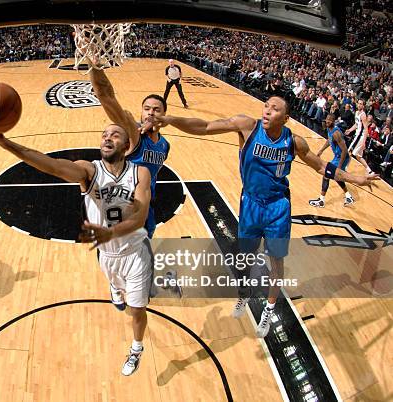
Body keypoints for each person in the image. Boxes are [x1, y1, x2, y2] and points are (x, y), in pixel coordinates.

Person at [149, 96, 378, 337]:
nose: (267, 111)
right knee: (245, 257)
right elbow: (204, 127)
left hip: (277, 208)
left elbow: (322, 166)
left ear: (286, 118)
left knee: (276, 263)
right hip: (250, 203)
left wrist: (356, 179)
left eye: (275, 109)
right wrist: (171, 119)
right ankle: (245, 293)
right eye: (266, 106)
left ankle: (268, 310)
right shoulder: (247, 126)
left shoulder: (294, 142)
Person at [0, 121, 153, 376]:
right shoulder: (89, 171)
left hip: (136, 253)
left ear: (126, 145)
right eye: (104, 134)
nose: (107, 138)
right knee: (118, 285)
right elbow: (52, 166)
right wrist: (4, 142)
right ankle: (116, 285)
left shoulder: (140, 173)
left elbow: (139, 218)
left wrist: (111, 232)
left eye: (115, 135)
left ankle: (136, 349)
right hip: (108, 256)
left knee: (137, 310)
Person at [89, 62, 170, 238]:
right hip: (123, 209)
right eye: (146, 109)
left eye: (156, 110)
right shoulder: (134, 134)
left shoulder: (165, 145)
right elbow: (105, 95)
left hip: (146, 209)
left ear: (164, 115)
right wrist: (93, 62)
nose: (150, 113)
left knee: (143, 258)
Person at [308, 114, 355, 207]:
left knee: (326, 175)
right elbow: (329, 141)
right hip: (337, 156)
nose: (327, 121)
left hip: (342, 157)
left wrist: (339, 166)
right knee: (336, 176)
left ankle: (321, 200)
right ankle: (348, 196)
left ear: (333, 121)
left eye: (330, 120)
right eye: (327, 119)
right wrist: (321, 150)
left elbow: (345, 150)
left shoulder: (336, 133)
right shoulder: (330, 130)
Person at [345, 99, 373, 174]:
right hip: (357, 135)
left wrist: (364, 142)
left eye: (361, 104)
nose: (359, 105)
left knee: (349, 151)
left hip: (360, 136)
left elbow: (366, 129)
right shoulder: (357, 112)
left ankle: (345, 168)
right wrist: (350, 130)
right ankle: (369, 171)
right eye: (359, 103)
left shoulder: (363, 115)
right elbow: (357, 124)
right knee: (358, 156)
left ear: (363, 106)